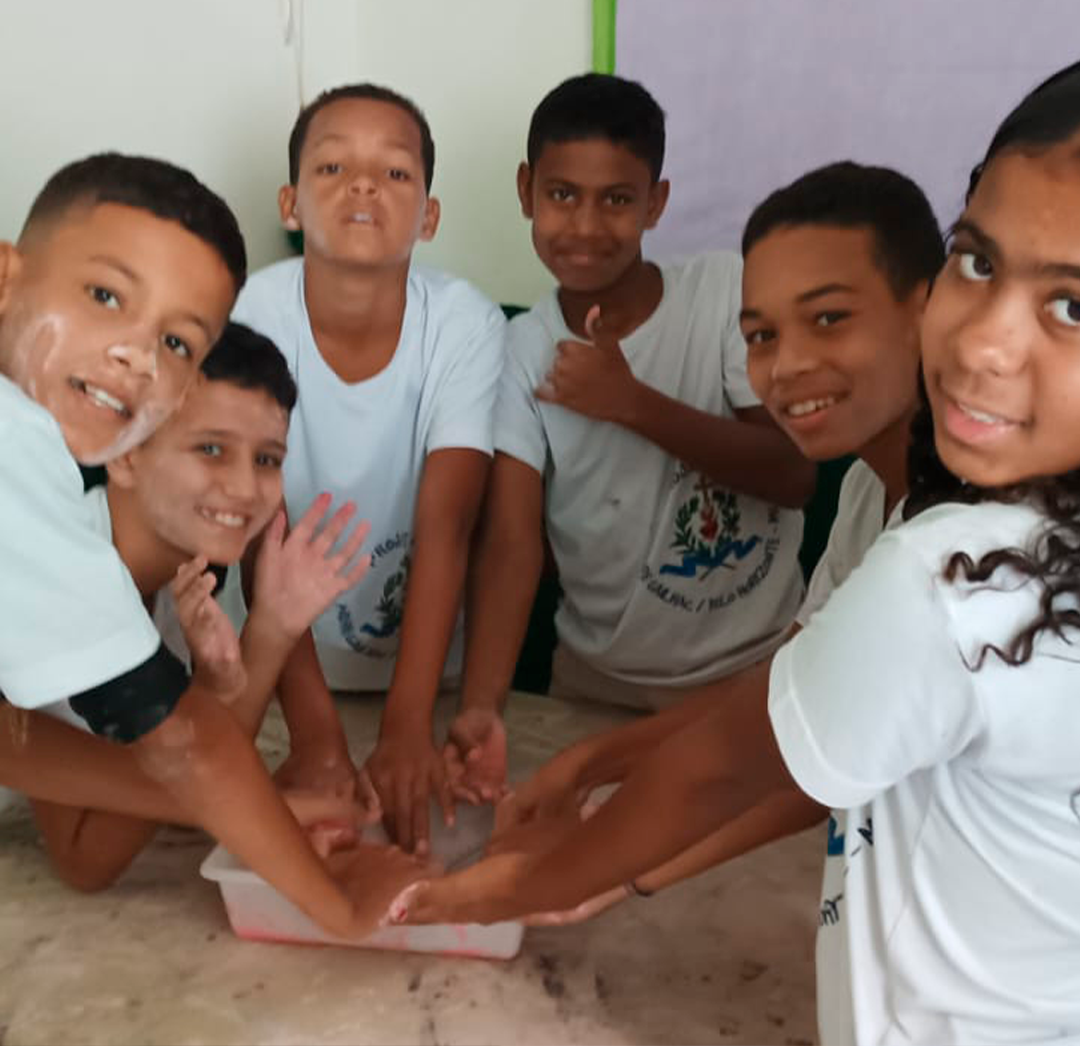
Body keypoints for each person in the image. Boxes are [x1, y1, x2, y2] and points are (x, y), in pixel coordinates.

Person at [402, 63, 1080, 1044]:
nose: (984, 346)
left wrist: (515, 886)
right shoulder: (901, 508)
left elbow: (735, 766)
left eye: (1072, 306)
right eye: (978, 263)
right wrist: (606, 817)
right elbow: (800, 722)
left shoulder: (950, 575)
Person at [0, 154, 430, 936]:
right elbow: (173, 762)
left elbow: (20, 745)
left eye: (175, 342)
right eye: (105, 296)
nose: (136, 357)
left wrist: (268, 788)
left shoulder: (160, 580)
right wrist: (337, 906)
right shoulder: (18, 451)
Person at [445, 73, 813, 800]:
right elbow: (513, 544)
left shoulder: (725, 291)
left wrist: (631, 404)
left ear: (656, 203)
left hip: (755, 675)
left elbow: (794, 475)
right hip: (596, 686)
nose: (586, 226)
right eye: (562, 195)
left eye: (616, 199)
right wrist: (482, 706)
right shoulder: (520, 349)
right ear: (525, 191)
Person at [232, 84, 505, 854]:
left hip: (417, 677)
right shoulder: (251, 315)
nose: (362, 186)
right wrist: (316, 738)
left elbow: (448, 525)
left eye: (394, 172)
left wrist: (407, 728)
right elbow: (254, 525)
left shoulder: (465, 324)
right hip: (273, 675)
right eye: (332, 168)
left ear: (429, 215)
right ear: (290, 204)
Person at [27, 322, 379, 890]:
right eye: (211, 449)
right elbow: (86, 857)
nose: (245, 487)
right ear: (125, 455)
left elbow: (190, 774)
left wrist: (270, 634)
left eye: (267, 459)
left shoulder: (173, 572)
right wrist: (285, 812)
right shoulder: (58, 573)